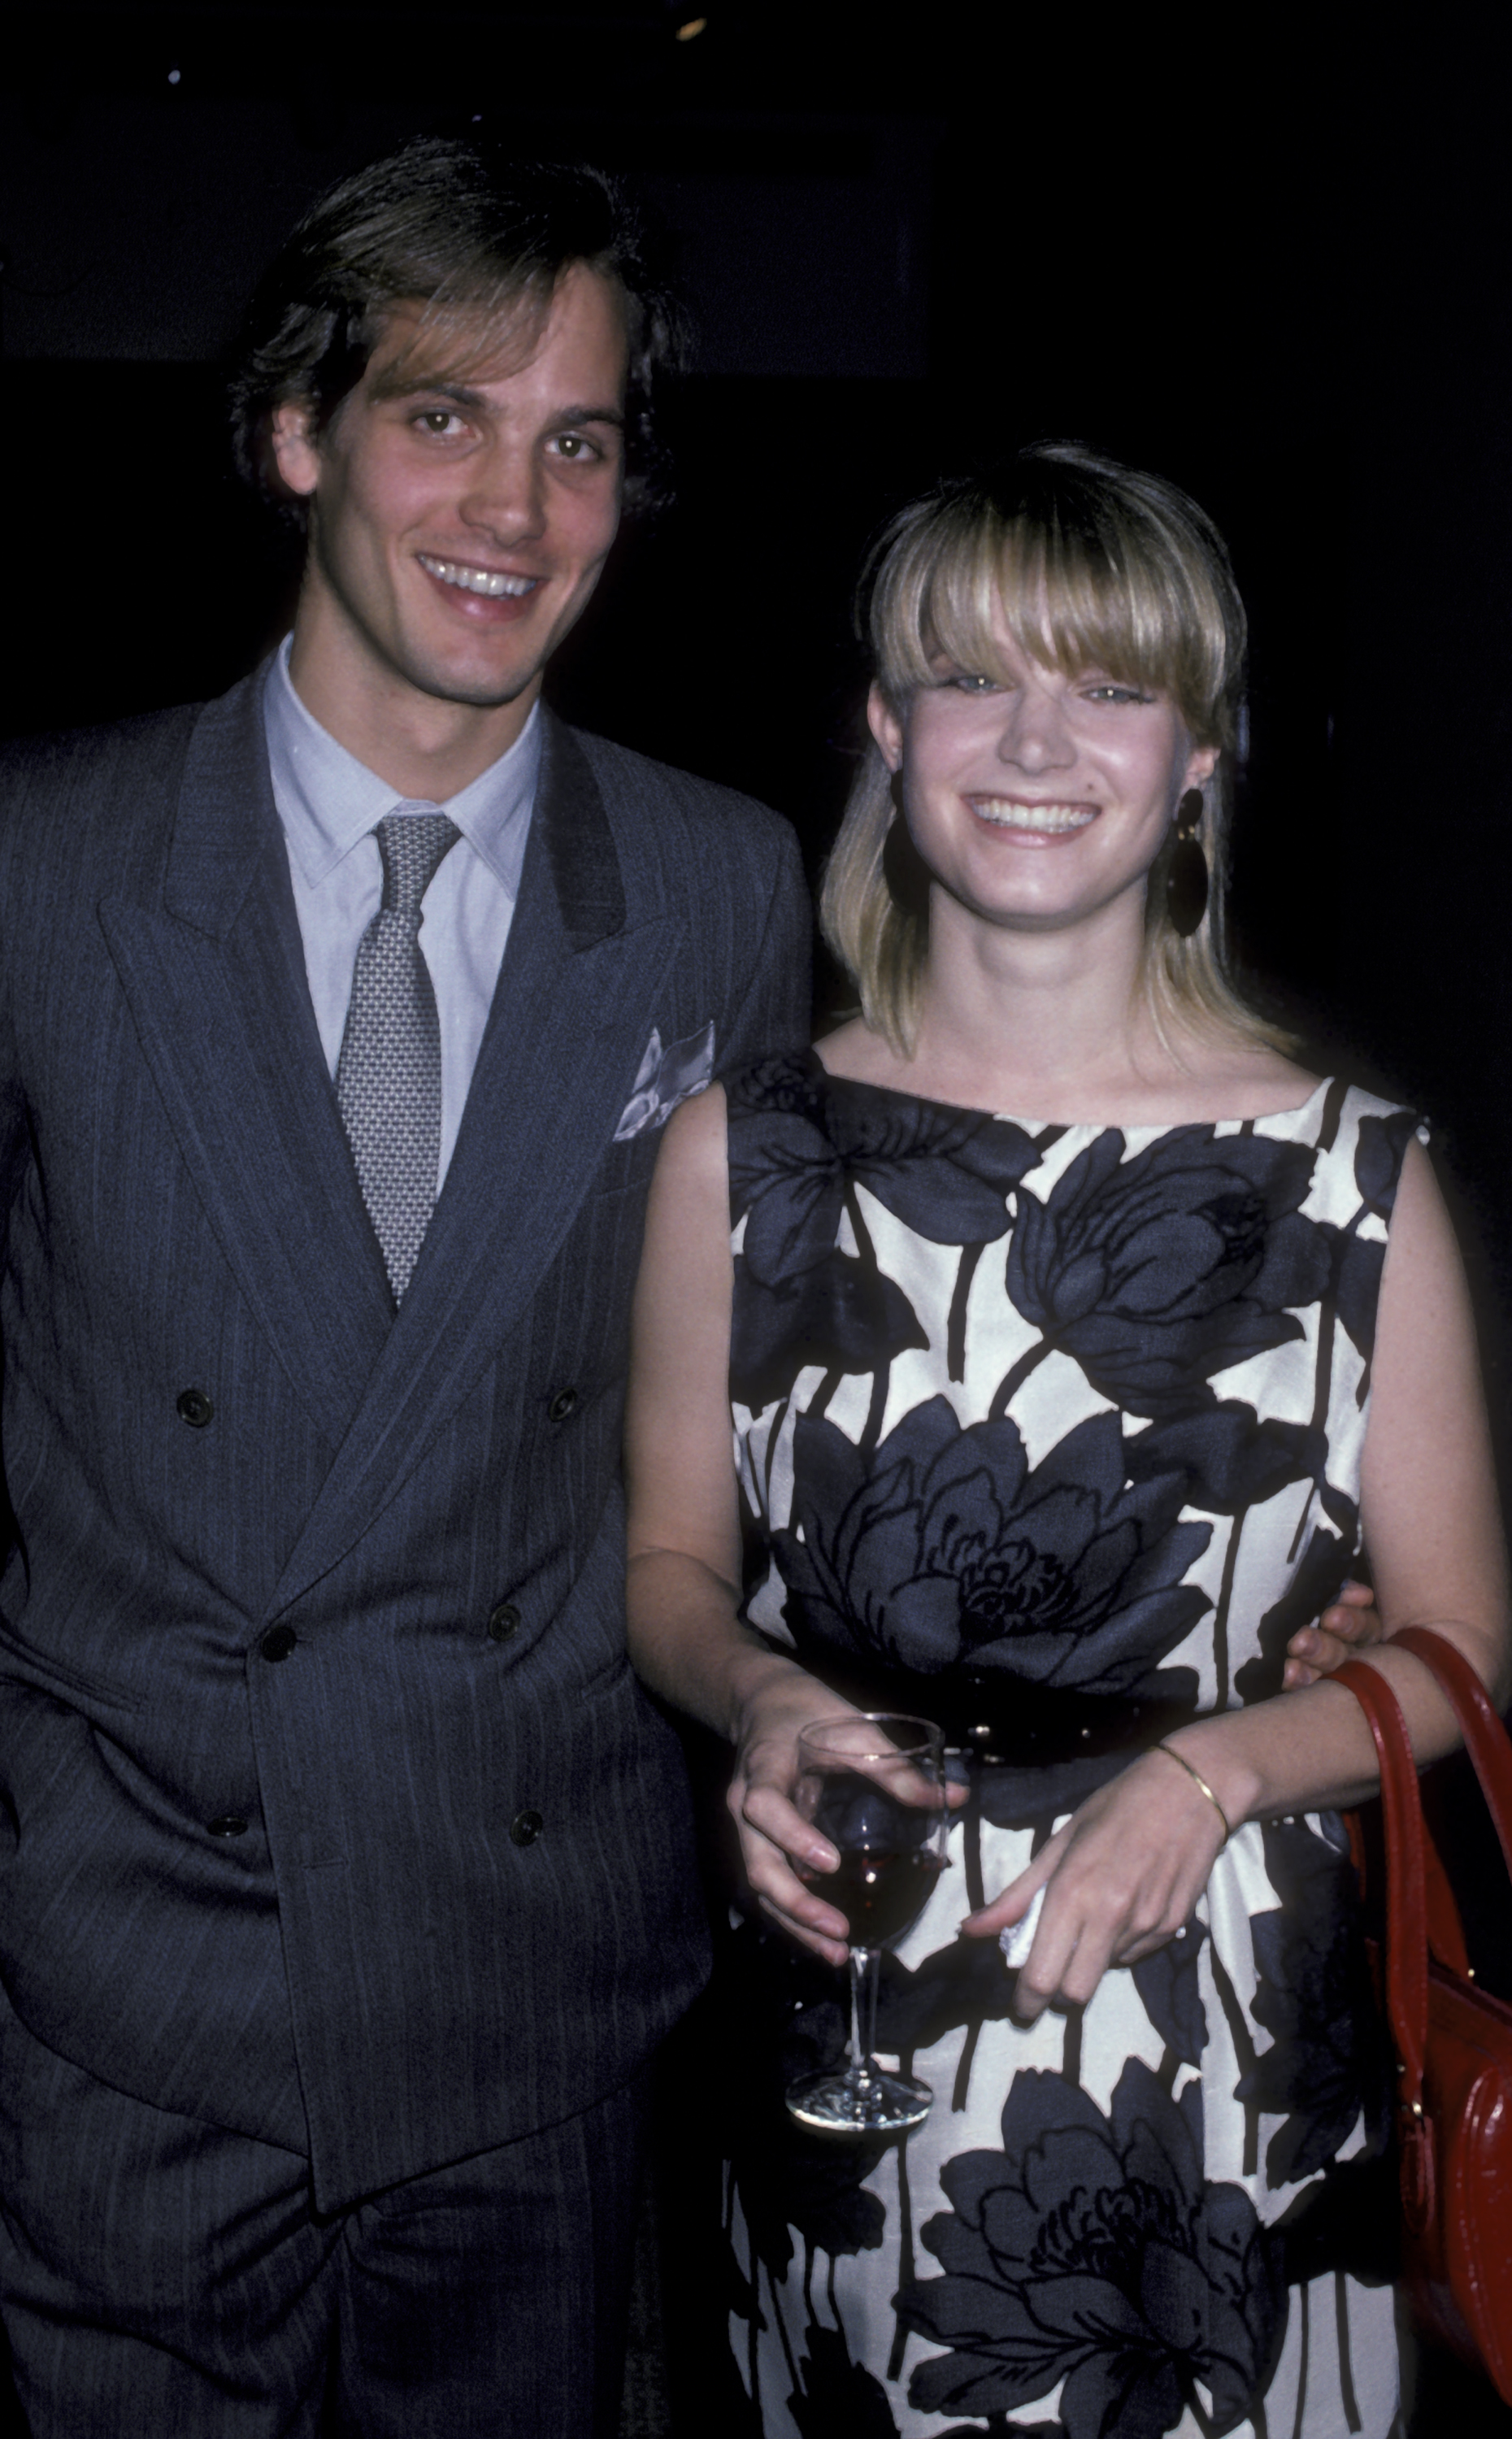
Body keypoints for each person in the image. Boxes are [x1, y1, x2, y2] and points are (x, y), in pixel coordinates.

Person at [0, 140, 810, 2435]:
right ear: (296, 436)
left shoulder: (718, 884)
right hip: (131, 1987)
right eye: (444, 414)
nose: (515, 508)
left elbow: (778, 1395)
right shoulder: (42, 859)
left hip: (528, 1994)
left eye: (578, 441)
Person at [625, 446, 1512, 2437]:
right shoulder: (743, 1152)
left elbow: (1459, 1648)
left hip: (1229, 2055)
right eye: (974, 677)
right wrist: (762, 1699)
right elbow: (669, 1569)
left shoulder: (1358, 1180)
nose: (1037, 742)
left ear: (1202, 752)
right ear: (887, 723)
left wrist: (1206, 1776)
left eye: (1110, 686)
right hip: (847, 2044)